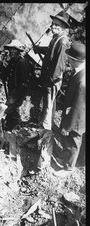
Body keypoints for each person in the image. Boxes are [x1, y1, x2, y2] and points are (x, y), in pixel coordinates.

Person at [52, 42, 85, 177]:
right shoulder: (80, 72)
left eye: (70, 59)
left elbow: (78, 106)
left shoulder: (82, 80)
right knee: (72, 140)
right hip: (75, 114)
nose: (68, 61)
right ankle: (70, 160)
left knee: (72, 140)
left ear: (75, 60)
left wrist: (68, 126)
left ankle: (69, 168)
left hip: (77, 118)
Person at [33, 11, 71, 130]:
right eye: (53, 23)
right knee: (47, 105)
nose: (52, 26)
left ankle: (46, 131)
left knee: (49, 107)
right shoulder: (56, 38)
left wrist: (52, 80)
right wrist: (39, 49)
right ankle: (42, 126)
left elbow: (59, 64)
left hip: (52, 80)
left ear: (64, 27)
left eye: (56, 25)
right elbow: (50, 51)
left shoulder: (63, 42)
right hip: (48, 78)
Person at [2, 39, 31, 130]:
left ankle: (14, 128)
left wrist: (14, 98)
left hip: (17, 92)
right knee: (12, 110)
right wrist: (3, 65)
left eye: (14, 49)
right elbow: (6, 75)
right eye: (10, 49)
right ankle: (10, 127)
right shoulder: (13, 61)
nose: (12, 51)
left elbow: (23, 83)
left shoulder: (22, 63)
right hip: (12, 90)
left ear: (18, 51)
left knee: (10, 109)